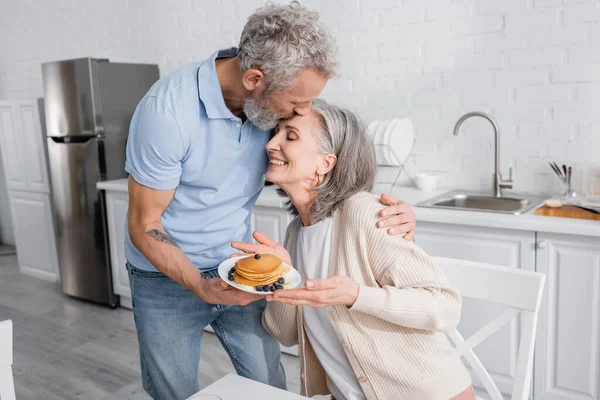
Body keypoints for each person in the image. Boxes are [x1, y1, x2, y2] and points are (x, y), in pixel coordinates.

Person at [124, 2, 417, 400]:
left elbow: (332, 153)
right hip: (165, 278)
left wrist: (388, 210)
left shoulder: (272, 103)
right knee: (173, 392)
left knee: (268, 384)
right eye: (296, 106)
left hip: (240, 266)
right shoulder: (167, 113)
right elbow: (145, 224)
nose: (303, 113)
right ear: (254, 78)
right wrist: (199, 285)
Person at [232, 98, 475, 400]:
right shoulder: (296, 233)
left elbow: (446, 306)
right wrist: (281, 275)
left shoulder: (363, 214)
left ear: (325, 163)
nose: (271, 144)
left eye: (290, 136)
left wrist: (357, 296)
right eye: (276, 134)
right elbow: (286, 334)